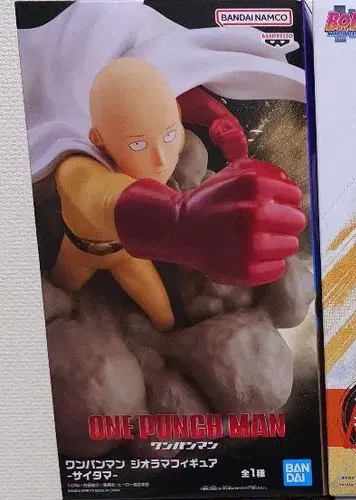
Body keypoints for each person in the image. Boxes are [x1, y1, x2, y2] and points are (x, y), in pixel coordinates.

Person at [50, 57, 304, 331]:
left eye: (169, 136)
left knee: (165, 319)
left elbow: (177, 103)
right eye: (138, 145)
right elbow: (100, 195)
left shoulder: (166, 127)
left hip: (128, 254)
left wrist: (220, 120)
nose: (160, 160)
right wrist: (178, 221)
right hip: (79, 253)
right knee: (60, 294)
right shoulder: (74, 165)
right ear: (97, 139)